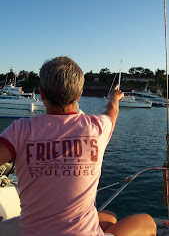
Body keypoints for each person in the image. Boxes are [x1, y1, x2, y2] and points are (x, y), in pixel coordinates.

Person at [0, 56, 156, 236]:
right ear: (79, 95)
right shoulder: (97, 128)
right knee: (148, 222)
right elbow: (112, 111)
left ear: (41, 94)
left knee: (110, 217)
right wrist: (114, 97)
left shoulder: (19, 131)